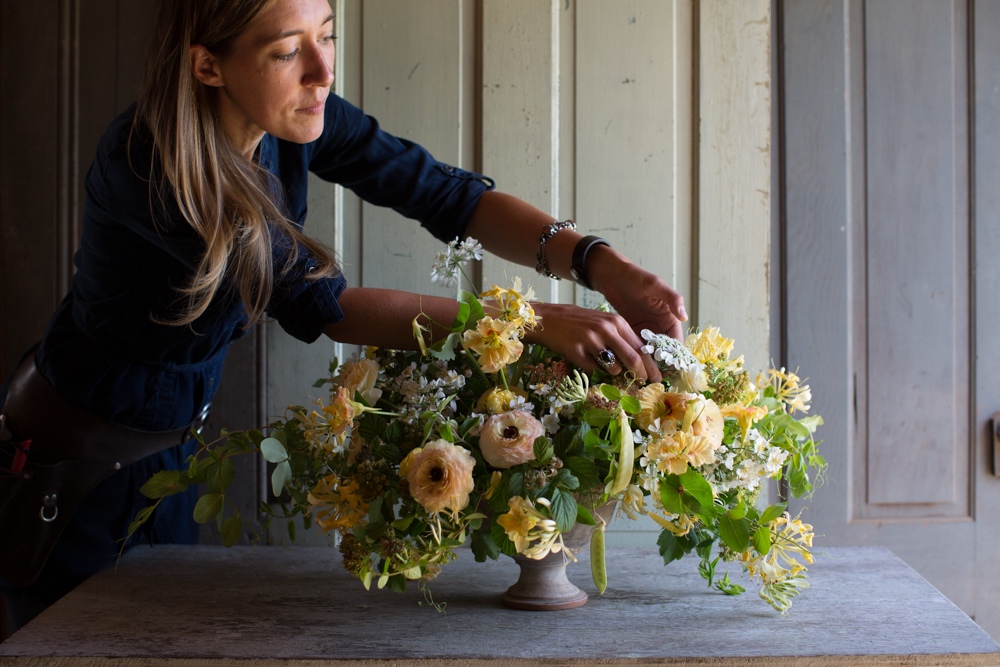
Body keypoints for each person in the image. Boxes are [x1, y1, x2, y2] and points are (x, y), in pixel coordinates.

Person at [0, 0, 687, 638]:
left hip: (166, 460)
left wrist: (601, 263)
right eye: (285, 50)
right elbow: (328, 306)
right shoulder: (153, 165)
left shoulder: (289, 117)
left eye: (326, 35)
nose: (322, 71)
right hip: (72, 476)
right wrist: (529, 321)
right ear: (207, 64)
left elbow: (443, 195)